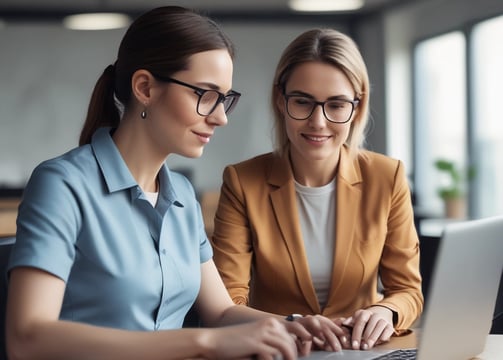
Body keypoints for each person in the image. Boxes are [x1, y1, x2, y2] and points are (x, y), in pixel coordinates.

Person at [5, 8, 347, 359]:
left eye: (225, 98)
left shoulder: (182, 196)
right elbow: (28, 338)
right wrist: (204, 343)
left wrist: (292, 325)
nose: (221, 117)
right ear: (145, 88)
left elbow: (221, 313)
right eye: (206, 95)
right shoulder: (62, 184)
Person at [211, 28, 424, 351]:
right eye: (303, 102)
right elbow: (227, 301)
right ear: (281, 101)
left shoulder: (387, 176)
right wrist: (291, 325)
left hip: (361, 352)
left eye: (336, 105)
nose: (318, 122)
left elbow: (408, 290)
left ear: (357, 106)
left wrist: (385, 310)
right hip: (280, 351)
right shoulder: (243, 182)